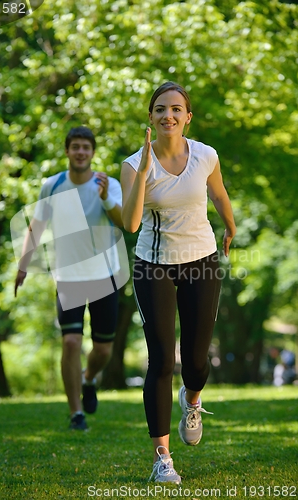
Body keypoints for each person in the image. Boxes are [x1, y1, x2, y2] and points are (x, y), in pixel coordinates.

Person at [121, 82, 236, 483]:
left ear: (187, 117)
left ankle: (193, 398)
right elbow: (131, 223)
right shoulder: (133, 164)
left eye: (176, 109)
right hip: (153, 264)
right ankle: (162, 459)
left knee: (197, 359)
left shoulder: (205, 155)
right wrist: (144, 174)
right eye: (159, 110)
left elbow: (218, 194)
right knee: (162, 360)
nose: (167, 115)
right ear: (150, 117)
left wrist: (230, 225)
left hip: (201, 260)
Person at [15, 126, 123, 430]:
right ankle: (76, 413)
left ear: (92, 152)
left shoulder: (108, 183)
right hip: (68, 276)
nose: (80, 152)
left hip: (105, 275)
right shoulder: (52, 185)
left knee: (103, 349)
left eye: (86, 147)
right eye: (75, 146)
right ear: (67, 151)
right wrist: (24, 264)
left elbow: (124, 221)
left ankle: (89, 379)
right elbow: (36, 226)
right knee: (72, 342)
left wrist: (104, 198)